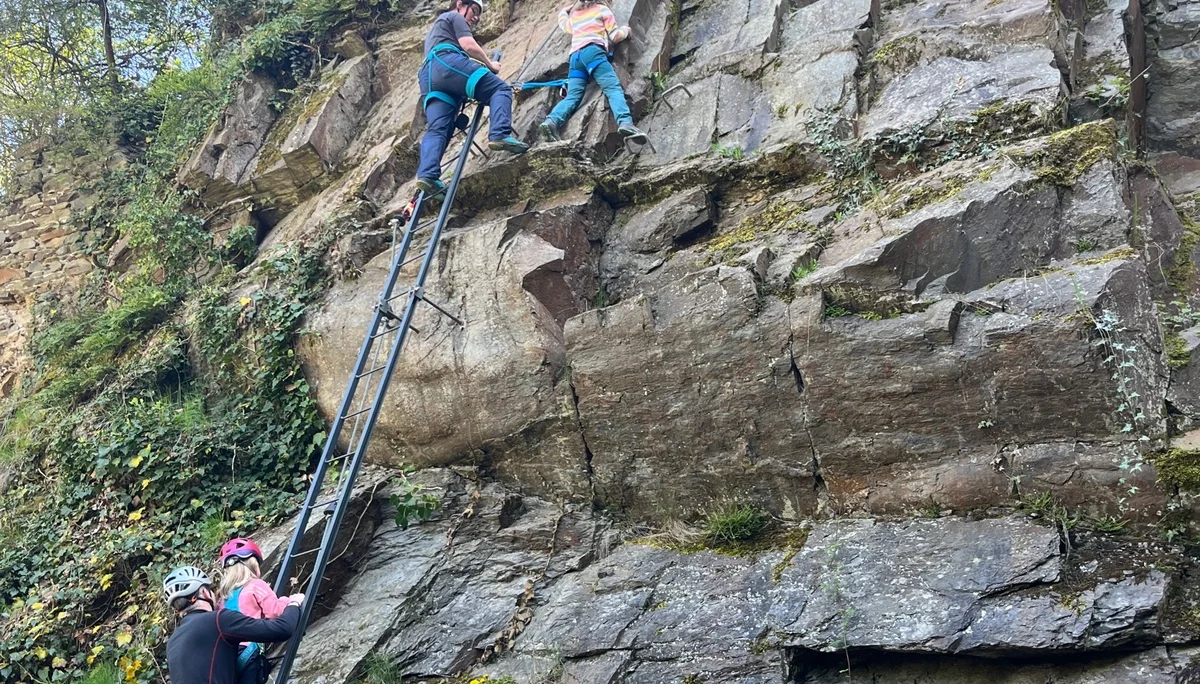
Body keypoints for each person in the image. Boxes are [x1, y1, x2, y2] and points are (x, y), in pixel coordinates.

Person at [417, 0, 529, 196]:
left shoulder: (436, 30)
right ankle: (499, 134)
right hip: (446, 62)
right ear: (460, 4)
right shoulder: (453, 16)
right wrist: (490, 64)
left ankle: (427, 174)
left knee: (439, 128)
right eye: (475, 10)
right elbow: (468, 45)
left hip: (428, 77)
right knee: (500, 90)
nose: (476, 17)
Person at [163, 565, 304, 684]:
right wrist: (293, 604)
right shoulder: (218, 620)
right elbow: (282, 629)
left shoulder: (172, 642)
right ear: (205, 593)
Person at [538, 0, 648, 144]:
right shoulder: (602, 10)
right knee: (612, 88)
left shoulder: (575, 15)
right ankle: (625, 122)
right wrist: (626, 31)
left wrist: (565, 10)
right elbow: (614, 36)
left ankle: (551, 121)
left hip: (575, 59)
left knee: (572, 97)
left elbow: (564, 25)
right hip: (593, 53)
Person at [216, 539, 303, 682]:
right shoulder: (255, 585)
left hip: (228, 657)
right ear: (254, 568)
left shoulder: (223, 598)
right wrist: (292, 601)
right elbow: (275, 611)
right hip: (249, 653)